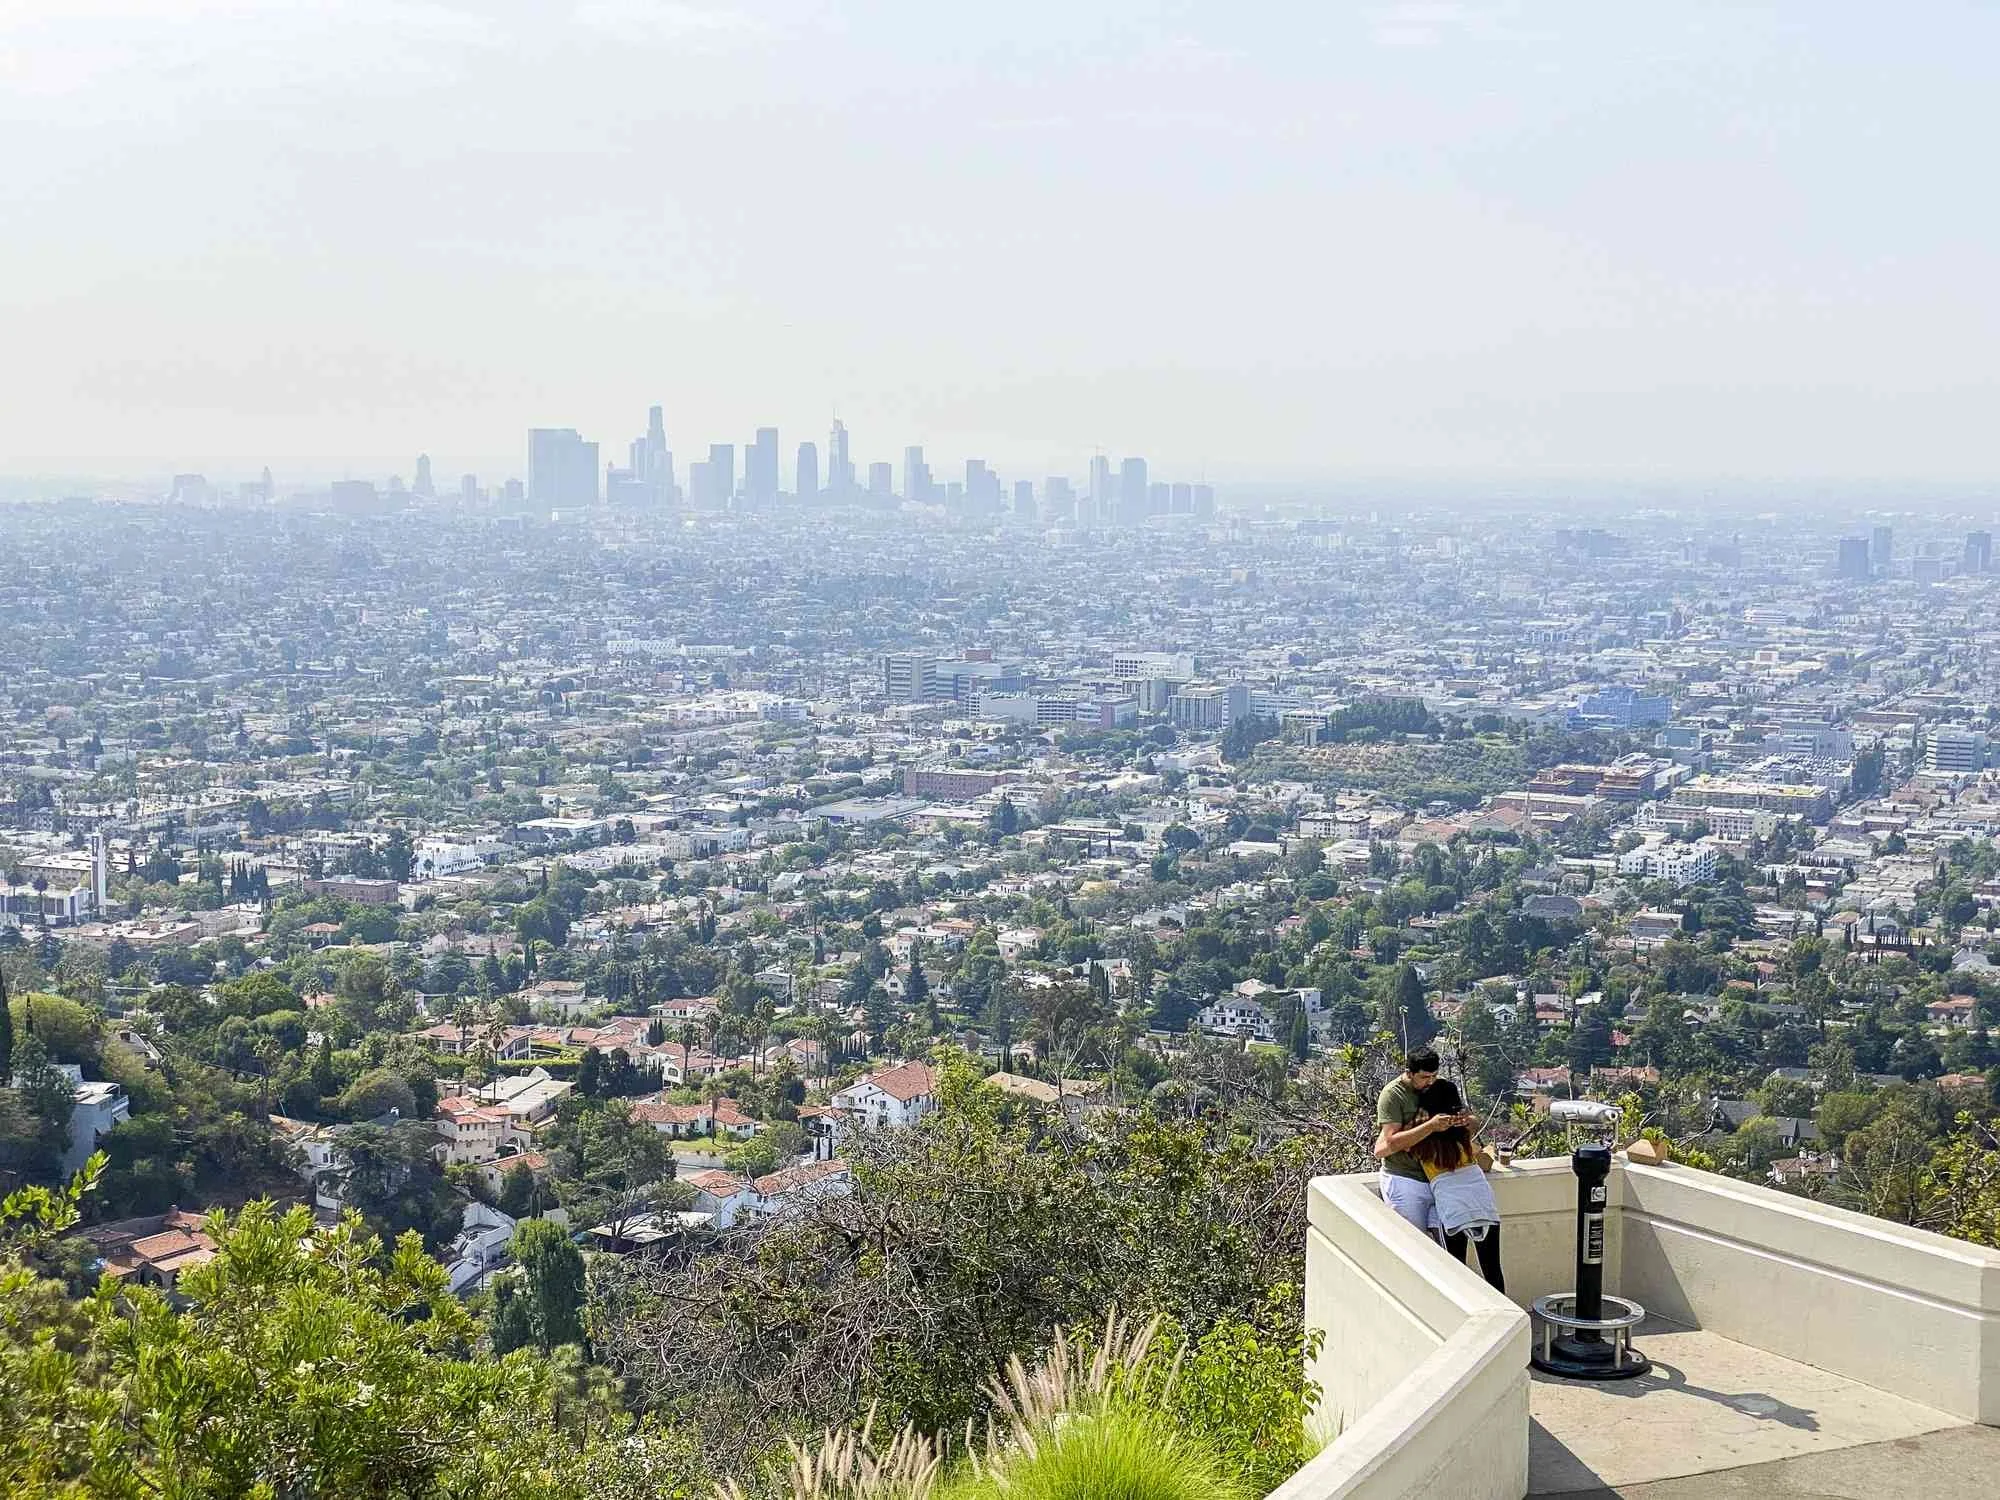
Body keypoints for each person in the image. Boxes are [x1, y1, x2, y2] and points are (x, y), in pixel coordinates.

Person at [1411, 1078, 1505, 1292]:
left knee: (1456, 1272)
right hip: (1482, 1201)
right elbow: (1475, 1130)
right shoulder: (1463, 1135)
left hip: (1453, 1207)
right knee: (1492, 1270)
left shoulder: (1423, 1141)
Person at [1374, 1048, 1470, 1239]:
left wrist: (1464, 1120)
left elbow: (1471, 1124)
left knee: (1445, 1244)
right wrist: (1430, 1126)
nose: (1431, 1081)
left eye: (1434, 1076)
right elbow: (1390, 1142)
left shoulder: (1440, 1087)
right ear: (1409, 1073)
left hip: (1438, 1177)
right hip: (1404, 1178)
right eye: (1425, 1077)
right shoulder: (1393, 1094)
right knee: (1412, 1241)